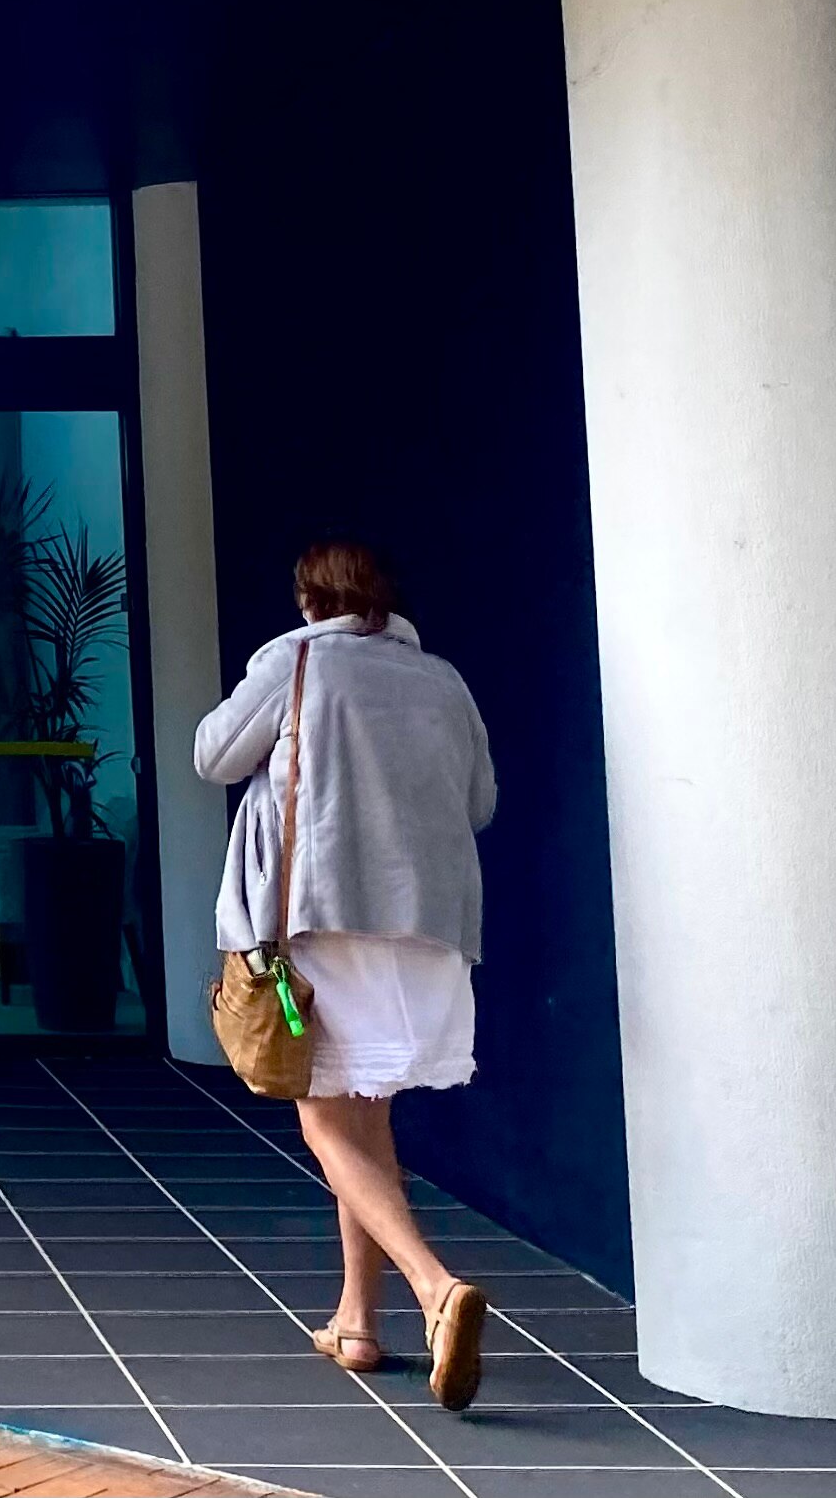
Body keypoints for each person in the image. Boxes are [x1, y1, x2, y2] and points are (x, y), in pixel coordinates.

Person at [195, 539, 500, 1410]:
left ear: (306, 601)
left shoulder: (295, 662)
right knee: (365, 1123)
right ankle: (357, 1321)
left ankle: (436, 1290)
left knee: (323, 1125)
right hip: (428, 927)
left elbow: (213, 753)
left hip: (325, 916)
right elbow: (479, 801)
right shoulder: (442, 678)